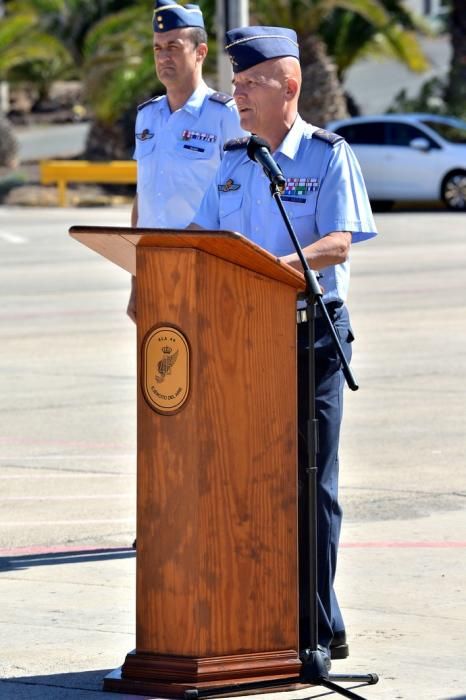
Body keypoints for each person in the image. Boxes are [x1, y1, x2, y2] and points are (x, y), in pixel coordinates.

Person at [189, 26, 377, 665]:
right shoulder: (233, 160)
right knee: (254, 482)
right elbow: (203, 237)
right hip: (244, 343)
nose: (236, 94)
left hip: (312, 337)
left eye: (249, 83)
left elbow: (338, 243)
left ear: (289, 85)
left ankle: (314, 629)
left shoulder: (328, 155)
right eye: (235, 84)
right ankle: (283, 615)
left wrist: (266, 265)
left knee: (310, 486)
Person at [127, 0, 245, 321]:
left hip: (206, 268)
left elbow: (244, 196)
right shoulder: (146, 117)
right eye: (157, 48)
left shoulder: (225, 115)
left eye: (173, 47)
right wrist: (136, 278)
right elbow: (144, 198)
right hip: (155, 267)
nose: (164, 57)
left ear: (200, 52)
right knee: (160, 365)